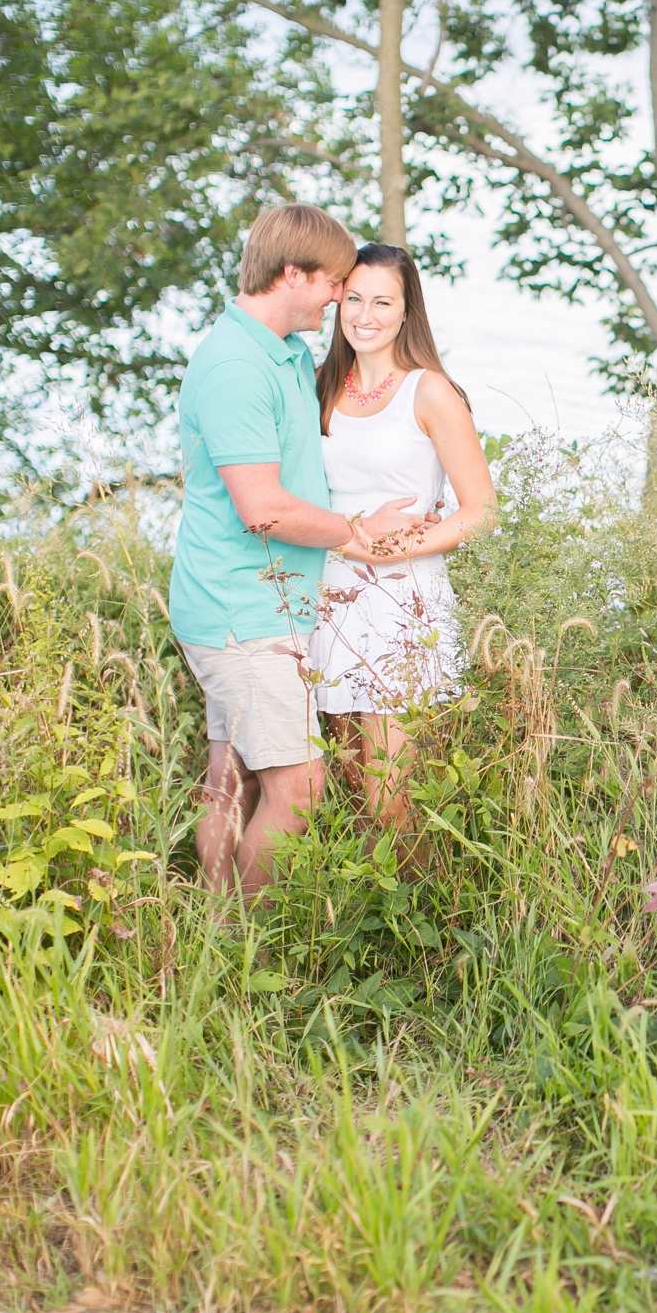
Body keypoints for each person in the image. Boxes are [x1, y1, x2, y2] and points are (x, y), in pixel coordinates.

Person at [169, 205, 429, 898]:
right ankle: (249, 946)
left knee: (232, 780)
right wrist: (354, 529)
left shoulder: (280, 352)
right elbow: (263, 508)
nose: (341, 297)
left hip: (259, 602)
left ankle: (216, 937)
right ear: (293, 273)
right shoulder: (233, 367)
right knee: (300, 786)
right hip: (242, 610)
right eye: (335, 282)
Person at [309, 242, 495, 829]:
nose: (365, 315)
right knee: (348, 790)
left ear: (407, 310)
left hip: (404, 605)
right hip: (328, 599)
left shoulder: (430, 391)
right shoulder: (318, 387)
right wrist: (352, 541)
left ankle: (413, 917)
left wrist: (391, 548)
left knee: (393, 796)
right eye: (355, 298)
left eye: (382, 301)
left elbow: (480, 510)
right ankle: (357, 919)